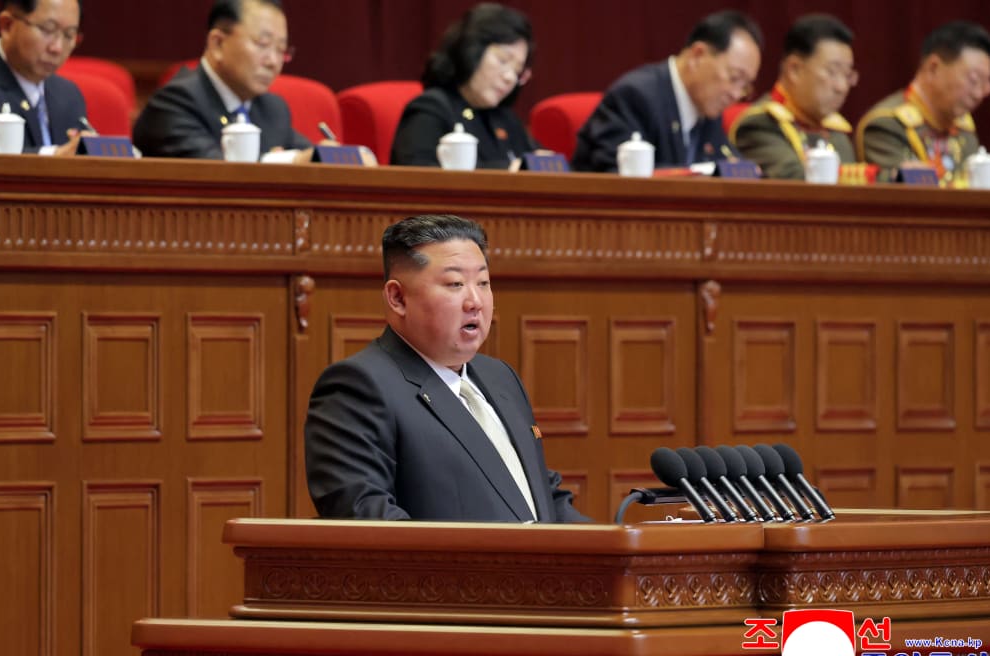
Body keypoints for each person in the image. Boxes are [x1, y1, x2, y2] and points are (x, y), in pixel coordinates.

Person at [304, 214, 588, 522]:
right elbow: (367, 518)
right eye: (455, 284)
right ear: (397, 298)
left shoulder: (501, 378)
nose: (475, 301)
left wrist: (611, 553)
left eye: (483, 283)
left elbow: (540, 495)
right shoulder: (357, 387)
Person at [572, 10, 762, 172]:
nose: (736, 94)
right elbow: (617, 175)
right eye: (734, 78)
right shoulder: (636, 97)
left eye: (745, 86)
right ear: (698, 56)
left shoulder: (708, 110)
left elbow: (726, 165)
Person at [133, 0, 311, 160]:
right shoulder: (175, 103)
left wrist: (323, 155)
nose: (273, 61)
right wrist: (290, 162)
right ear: (217, 44)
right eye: (262, 44)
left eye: (281, 49)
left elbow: (307, 155)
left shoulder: (272, 108)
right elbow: (220, 175)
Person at [390, 3, 539, 169]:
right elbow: (416, 176)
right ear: (471, 50)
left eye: (518, 70)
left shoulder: (505, 119)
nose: (510, 77)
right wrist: (509, 171)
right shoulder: (431, 109)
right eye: (503, 60)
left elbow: (533, 160)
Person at [857, 20, 990, 184]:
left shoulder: (964, 130)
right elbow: (905, 197)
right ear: (933, 68)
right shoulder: (888, 126)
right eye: (974, 80)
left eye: (986, 82)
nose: (981, 93)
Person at [731, 14, 857, 179]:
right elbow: (798, 183)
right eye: (832, 72)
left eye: (847, 75)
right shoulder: (760, 125)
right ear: (794, 70)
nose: (841, 87)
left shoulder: (837, 134)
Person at [0, 0, 86, 154]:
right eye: (47, 29)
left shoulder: (69, 94)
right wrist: (56, 155)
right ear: (7, 25)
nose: (57, 47)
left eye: (69, 35)